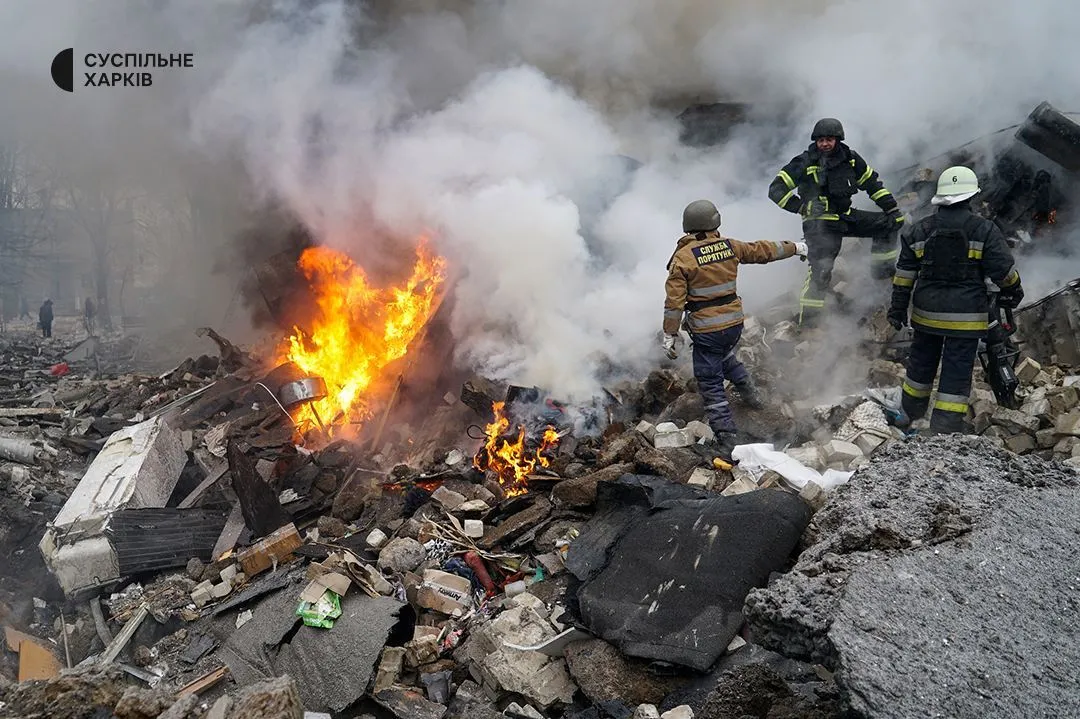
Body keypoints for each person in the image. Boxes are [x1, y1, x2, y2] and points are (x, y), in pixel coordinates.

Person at [663, 199, 807, 460]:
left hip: (707, 330)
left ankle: (727, 436)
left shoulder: (683, 258)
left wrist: (670, 334)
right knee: (725, 356)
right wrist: (794, 247)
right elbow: (763, 251)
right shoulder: (728, 246)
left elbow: (674, 303)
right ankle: (752, 394)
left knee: (710, 382)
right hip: (733, 325)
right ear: (715, 222)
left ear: (688, 226)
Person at [888, 166, 1024, 434]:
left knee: (920, 366)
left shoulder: (919, 230)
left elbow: (903, 277)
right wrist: (1014, 290)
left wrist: (897, 309)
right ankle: (945, 426)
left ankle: (910, 414)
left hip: (926, 316)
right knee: (956, 371)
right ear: (971, 196)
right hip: (966, 320)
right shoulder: (984, 229)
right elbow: (1003, 271)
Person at [768, 118, 905, 326]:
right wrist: (802, 207)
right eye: (821, 140)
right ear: (815, 141)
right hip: (819, 224)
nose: (824, 144)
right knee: (821, 271)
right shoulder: (804, 162)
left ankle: (882, 275)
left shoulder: (850, 159)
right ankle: (809, 324)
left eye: (829, 139)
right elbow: (775, 189)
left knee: (888, 225)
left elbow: (872, 184)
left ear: (838, 139)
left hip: (845, 216)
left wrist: (892, 209)